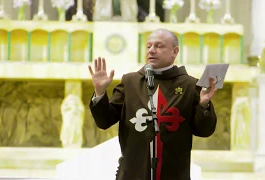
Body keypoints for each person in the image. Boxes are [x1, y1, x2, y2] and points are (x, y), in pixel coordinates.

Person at [88, 28, 217, 180]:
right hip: (133, 172)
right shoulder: (130, 82)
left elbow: (204, 131)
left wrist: (204, 105)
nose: (152, 51)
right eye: (148, 46)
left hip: (173, 173)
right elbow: (104, 121)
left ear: (174, 51)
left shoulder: (190, 85)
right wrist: (100, 93)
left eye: (159, 46)